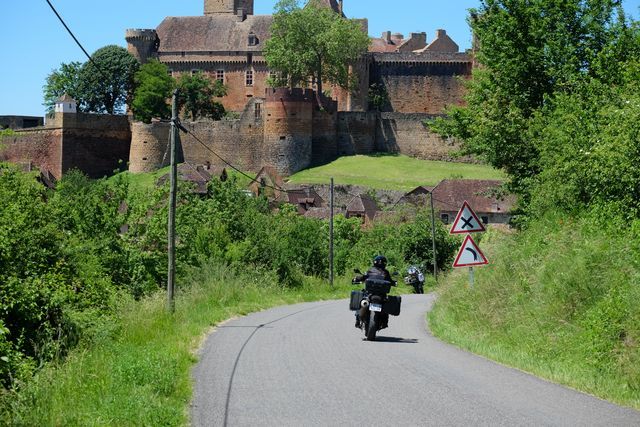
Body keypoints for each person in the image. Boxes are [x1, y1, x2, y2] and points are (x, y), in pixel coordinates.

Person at [354, 255, 393, 328]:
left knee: (361, 300)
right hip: (381, 295)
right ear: (384, 263)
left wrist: (356, 279)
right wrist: (394, 282)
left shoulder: (370, 270)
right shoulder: (386, 272)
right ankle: (385, 322)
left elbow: (363, 277)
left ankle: (357, 320)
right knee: (386, 305)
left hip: (370, 294)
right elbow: (390, 281)